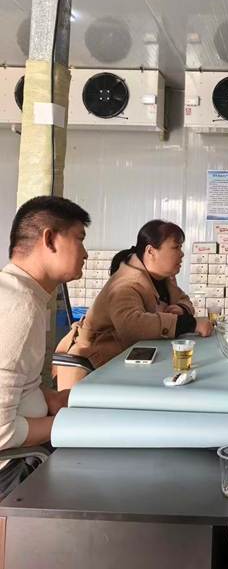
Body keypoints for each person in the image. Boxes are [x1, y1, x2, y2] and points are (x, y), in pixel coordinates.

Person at [0, 195, 90, 499]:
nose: (85, 253)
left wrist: (49, 398)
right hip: (13, 466)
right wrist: (70, 424)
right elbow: (1, 433)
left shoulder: (18, 294)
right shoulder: (20, 308)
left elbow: (17, 383)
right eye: (79, 238)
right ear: (50, 239)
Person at [55, 220, 213, 389]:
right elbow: (132, 325)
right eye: (176, 247)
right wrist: (189, 323)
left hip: (125, 362)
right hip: (94, 368)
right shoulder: (125, 284)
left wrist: (181, 309)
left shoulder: (163, 278)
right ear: (150, 251)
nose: (181, 254)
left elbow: (184, 299)